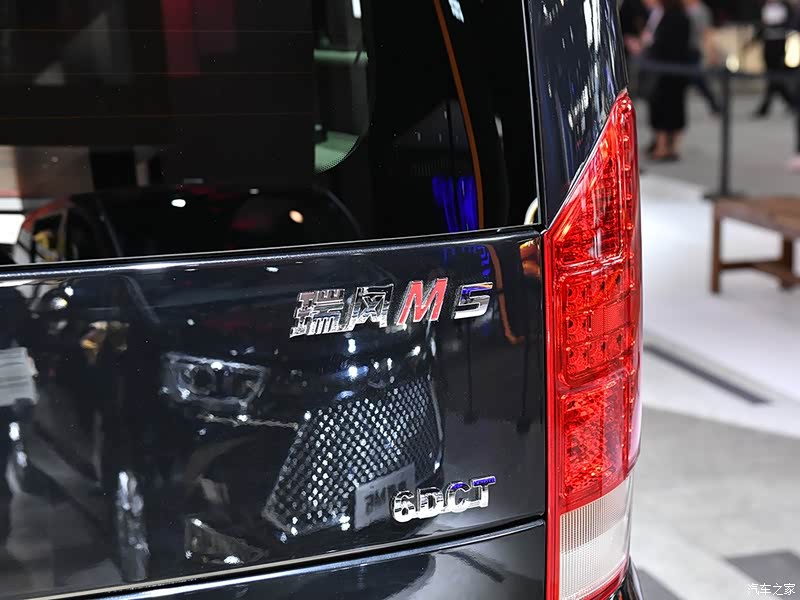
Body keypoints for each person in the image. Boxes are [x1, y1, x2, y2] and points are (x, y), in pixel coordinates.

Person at [643, 0, 692, 160]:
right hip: (676, 71)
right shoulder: (680, 16)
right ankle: (670, 147)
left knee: (664, 109)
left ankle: (663, 147)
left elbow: (664, 45)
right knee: (674, 109)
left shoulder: (671, 17)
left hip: (667, 72)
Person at [752, 0, 794, 117]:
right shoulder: (764, 8)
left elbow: (787, 26)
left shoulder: (784, 7)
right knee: (773, 77)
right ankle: (792, 103)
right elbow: (762, 27)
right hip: (768, 46)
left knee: (775, 77)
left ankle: (765, 108)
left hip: (779, 45)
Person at [684, 0, 720, 114]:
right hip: (684, 49)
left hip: (693, 49)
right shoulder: (685, 8)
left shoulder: (701, 10)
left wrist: (711, 52)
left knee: (697, 79)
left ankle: (714, 103)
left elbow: (706, 32)